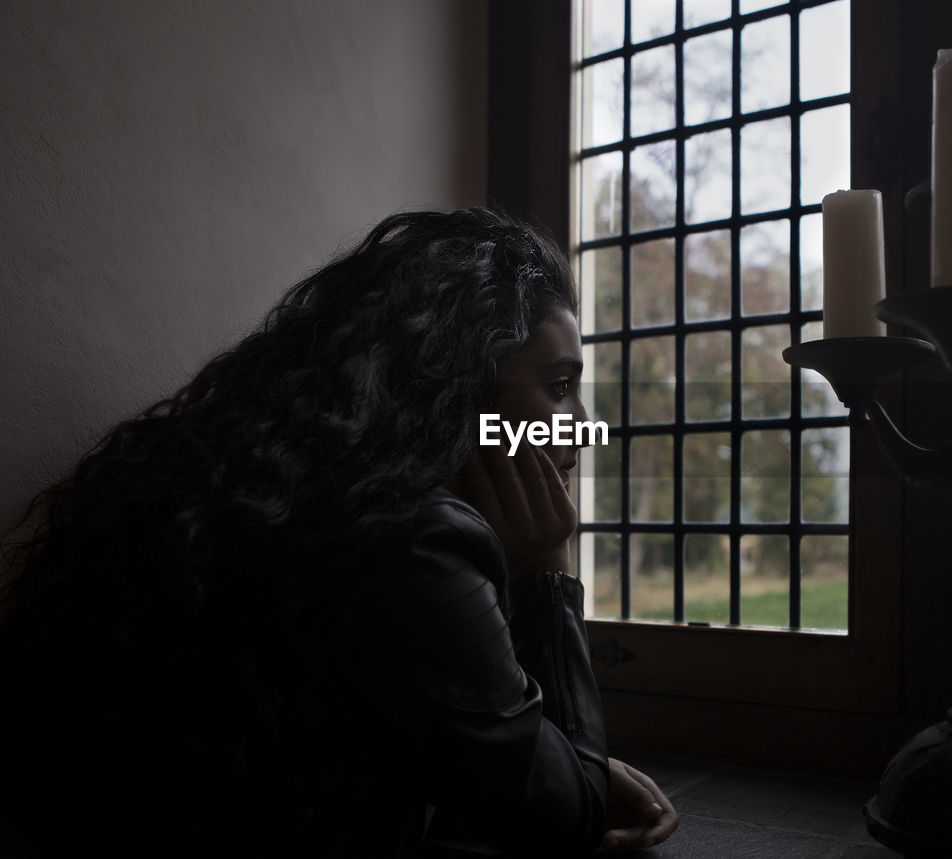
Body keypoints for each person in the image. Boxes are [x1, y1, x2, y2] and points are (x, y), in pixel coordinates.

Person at [0, 209, 678, 857]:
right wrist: (544, 566)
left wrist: (549, 755)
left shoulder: (286, 494)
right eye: (559, 386)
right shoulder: (419, 541)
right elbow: (567, 819)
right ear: (463, 385)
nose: (585, 422)